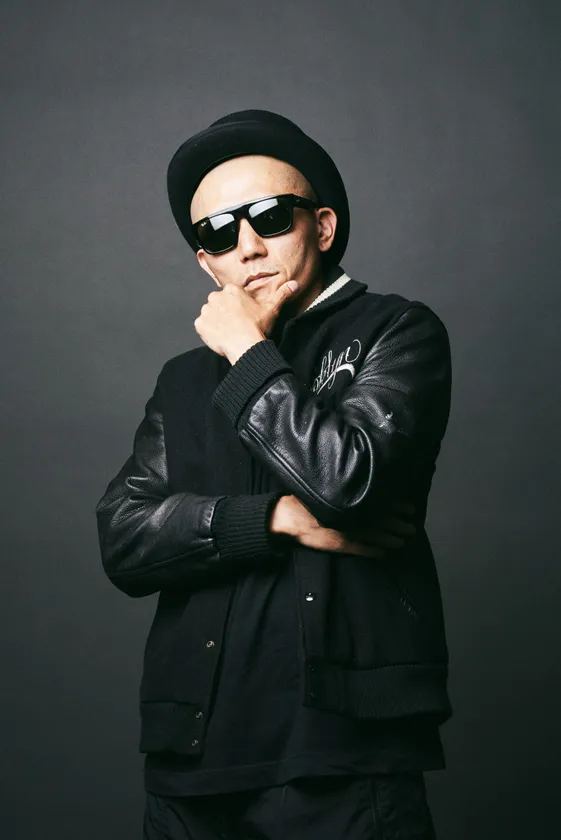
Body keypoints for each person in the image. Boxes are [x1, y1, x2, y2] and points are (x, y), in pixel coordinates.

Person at [95, 109, 453, 839]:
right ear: (207, 263)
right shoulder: (182, 379)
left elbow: (348, 485)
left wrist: (247, 352)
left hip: (341, 755)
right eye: (218, 233)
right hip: (191, 762)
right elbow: (124, 539)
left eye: (269, 217)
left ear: (321, 226)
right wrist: (272, 519)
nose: (248, 247)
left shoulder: (396, 330)